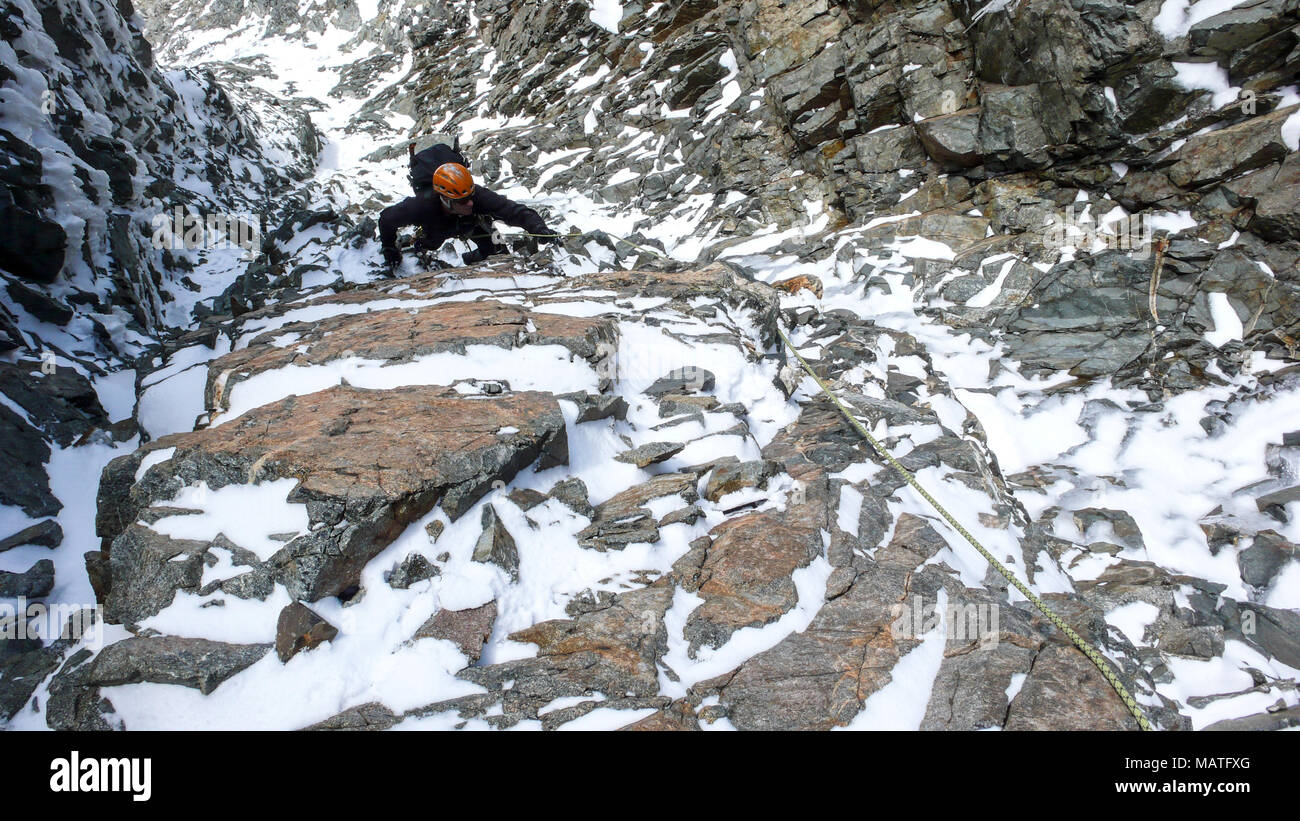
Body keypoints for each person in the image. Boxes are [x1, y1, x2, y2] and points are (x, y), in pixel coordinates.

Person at [378, 162, 560, 270]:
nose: (470, 203)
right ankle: (418, 245)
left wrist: (538, 228)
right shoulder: (421, 207)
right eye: (463, 201)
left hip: (471, 224)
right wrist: (389, 248)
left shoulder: (477, 196)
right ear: (446, 200)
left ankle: (471, 259)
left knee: (498, 251)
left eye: (470, 198)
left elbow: (513, 211)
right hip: (437, 227)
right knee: (431, 243)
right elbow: (386, 219)